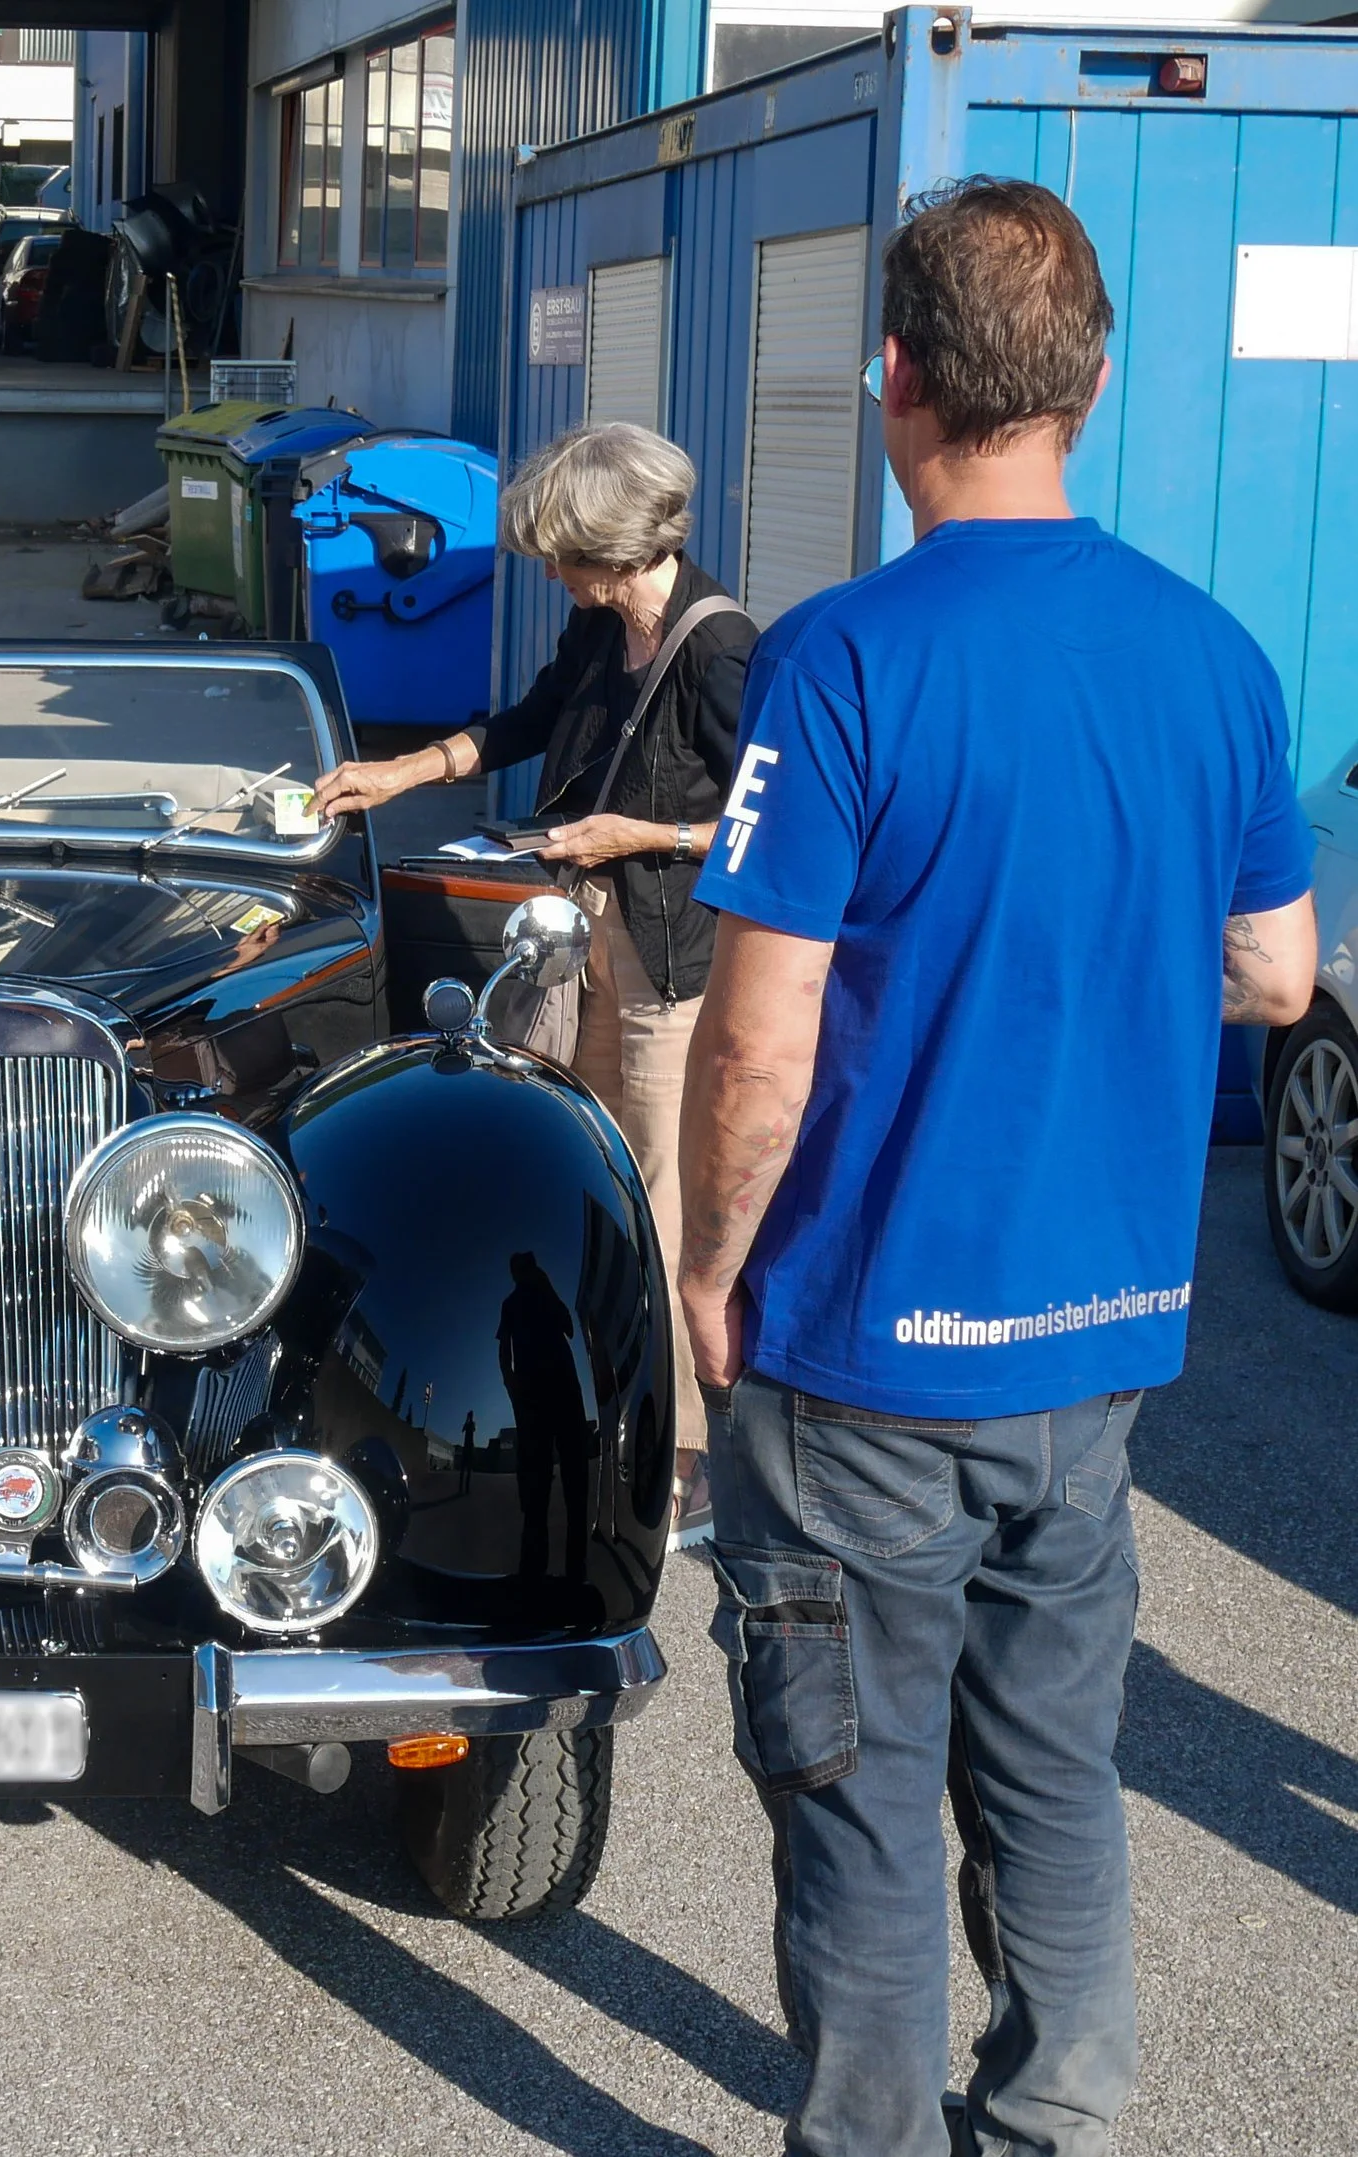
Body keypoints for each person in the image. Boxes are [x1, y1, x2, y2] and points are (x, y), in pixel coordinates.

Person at [676, 178, 1315, 2157]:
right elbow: (1276, 975)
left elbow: (758, 1029)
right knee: (1052, 1769)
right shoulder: (1213, 657)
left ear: (894, 382)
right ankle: (1050, 2121)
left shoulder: (841, 661)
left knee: (855, 1785)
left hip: (862, 1342)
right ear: (1089, 384)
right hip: (1096, 1335)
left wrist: (708, 1263)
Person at [314, 422, 756, 1538]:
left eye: (561, 557)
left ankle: (684, 1462)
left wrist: (633, 834)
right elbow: (521, 722)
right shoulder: (605, 627)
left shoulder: (719, 650)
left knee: (656, 1202)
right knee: (578, 1167)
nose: (552, 576)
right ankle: (600, 1405)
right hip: (592, 934)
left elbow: (775, 818)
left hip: (671, 963)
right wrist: (402, 770)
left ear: (612, 549)